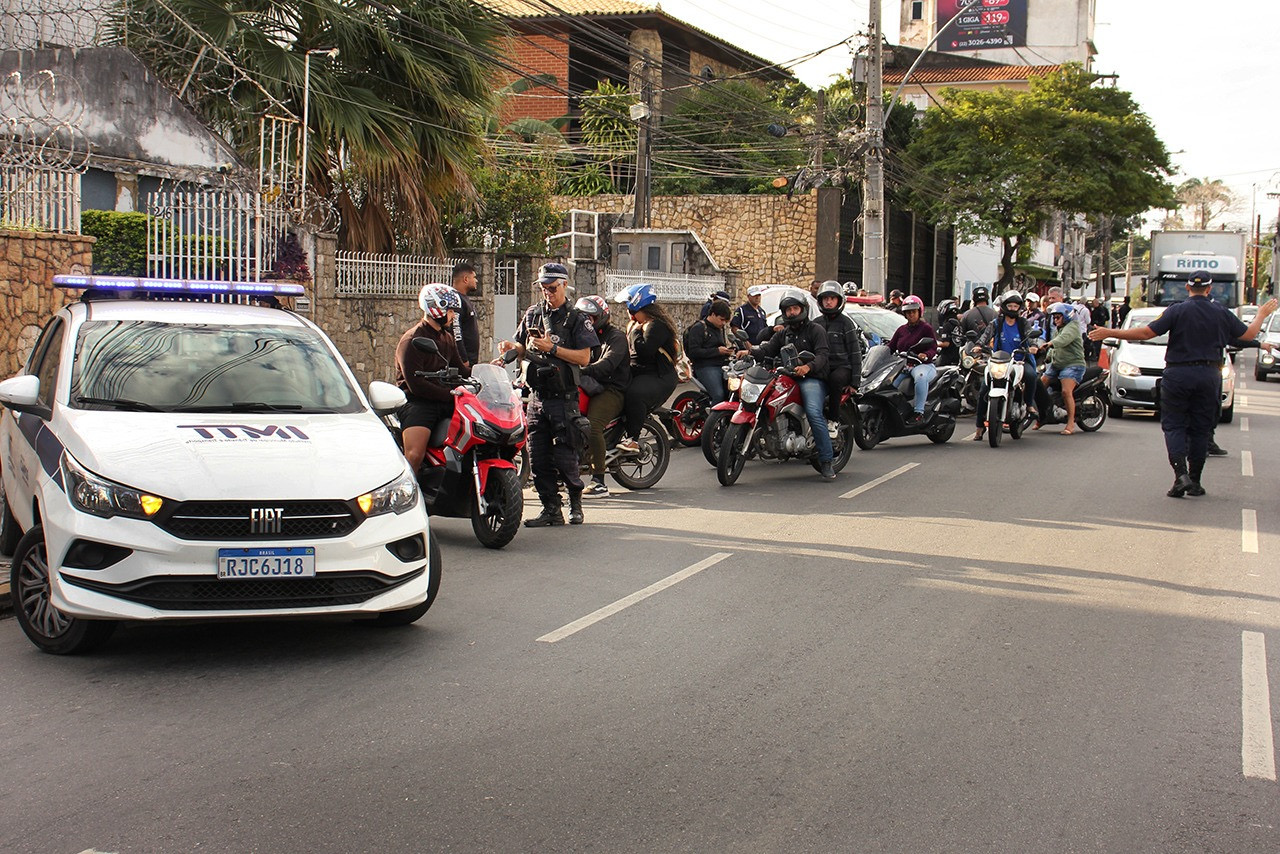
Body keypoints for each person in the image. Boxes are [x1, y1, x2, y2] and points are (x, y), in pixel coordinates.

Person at [1088, 271, 1277, 497]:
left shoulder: (1177, 310)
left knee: (1174, 425)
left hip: (1179, 373)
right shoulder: (1221, 312)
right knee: (1200, 428)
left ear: (1188, 288)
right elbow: (1247, 335)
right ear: (1209, 289)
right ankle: (1195, 481)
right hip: (1209, 375)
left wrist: (1110, 332)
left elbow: (1147, 332)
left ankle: (1181, 476)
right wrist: (1262, 314)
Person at [498, 262, 598, 526]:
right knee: (539, 457)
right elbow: (522, 346)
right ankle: (551, 509)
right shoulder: (533, 313)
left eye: (552, 288)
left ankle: (575, 504)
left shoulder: (577, 319)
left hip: (564, 399)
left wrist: (552, 349)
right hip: (537, 397)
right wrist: (511, 348)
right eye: (543, 288)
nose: (548, 293)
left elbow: (585, 357)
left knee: (566, 456)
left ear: (564, 285)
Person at [739, 288, 837, 480]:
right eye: (788, 309)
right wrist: (750, 352)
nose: (791, 312)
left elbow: (823, 356)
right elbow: (768, 349)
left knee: (813, 412)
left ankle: (826, 461)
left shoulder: (816, 330)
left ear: (803, 309)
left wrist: (808, 367)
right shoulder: (784, 333)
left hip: (812, 378)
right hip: (788, 375)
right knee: (765, 399)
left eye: (795, 308)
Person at [396, 284, 468, 480]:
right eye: (451, 310)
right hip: (418, 402)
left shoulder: (447, 338)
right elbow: (415, 385)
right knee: (414, 455)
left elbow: (462, 370)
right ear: (437, 308)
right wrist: (449, 394)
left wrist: (486, 373)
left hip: (446, 400)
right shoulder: (412, 340)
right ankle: (405, 492)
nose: (453, 316)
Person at [575, 295, 630, 499]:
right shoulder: (580, 336)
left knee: (592, 425)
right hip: (588, 385)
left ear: (600, 317)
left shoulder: (616, 337)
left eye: (590, 317)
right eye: (583, 318)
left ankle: (599, 480)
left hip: (610, 389)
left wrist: (583, 369)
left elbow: (607, 364)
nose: (586, 322)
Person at [617, 283, 679, 454]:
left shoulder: (655, 326)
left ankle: (633, 440)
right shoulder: (636, 324)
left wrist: (636, 332)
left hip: (659, 377)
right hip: (641, 372)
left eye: (628, 308)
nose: (627, 312)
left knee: (635, 394)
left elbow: (644, 352)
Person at [972, 291, 1041, 441]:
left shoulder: (1023, 323)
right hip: (998, 361)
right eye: (1009, 305)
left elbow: (1031, 337)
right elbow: (985, 336)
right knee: (984, 388)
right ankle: (979, 427)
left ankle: (1029, 404)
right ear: (1004, 306)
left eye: (1015, 306)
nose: (1012, 308)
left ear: (1019, 308)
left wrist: (1034, 347)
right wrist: (978, 346)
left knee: (1031, 375)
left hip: (1020, 361)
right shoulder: (997, 323)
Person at [812, 281, 861, 420]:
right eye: (825, 298)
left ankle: (834, 420)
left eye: (832, 298)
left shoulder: (846, 323)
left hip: (842, 367)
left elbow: (855, 353)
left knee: (835, 379)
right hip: (821, 366)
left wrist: (855, 383)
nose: (828, 302)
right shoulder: (816, 323)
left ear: (839, 300)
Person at [886, 295, 937, 423]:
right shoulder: (901, 330)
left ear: (919, 312)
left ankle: (919, 412)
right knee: (889, 386)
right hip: (904, 366)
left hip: (923, 365)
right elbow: (890, 347)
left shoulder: (926, 328)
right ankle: (895, 413)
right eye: (908, 312)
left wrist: (925, 355)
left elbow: (933, 347)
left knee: (921, 377)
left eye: (913, 312)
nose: (911, 315)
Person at [1038, 302, 1086, 435]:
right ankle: (1042, 416)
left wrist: (1050, 344)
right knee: (1040, 385)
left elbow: (1063, 340)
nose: (1055, 320)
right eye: (1054, 318)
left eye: (1058, 317)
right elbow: (1055, 346)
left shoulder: (1073, 327)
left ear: (1066, 316)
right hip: (1057, 364)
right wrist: (1047, 356)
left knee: (1066, 391)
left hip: (1072, 364)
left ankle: (1070, 423)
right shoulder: (1058, 329)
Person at [684, 298, 733, 405]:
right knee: (718, 395)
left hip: (722, 365)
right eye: (722, 319)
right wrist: (717, 351)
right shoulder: (699, 328)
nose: (723, 323)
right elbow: (694, 352)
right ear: (713, 314)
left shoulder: (719, 328)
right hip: (705, 367)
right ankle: (713, 420)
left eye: (725, 321)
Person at [451, 262, 479, 367]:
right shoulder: (456, 300)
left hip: (470, 361)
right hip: (463, 363)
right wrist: (463, 359)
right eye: (474, 277)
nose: (476, 280)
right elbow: (456, 330)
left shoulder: (463, 299)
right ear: (466, 279)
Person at [935, 299, 963, 367]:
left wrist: (935, 343)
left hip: (946, 358)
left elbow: (946, 343)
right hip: (957, 357)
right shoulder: (959, 324)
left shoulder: (947, 324)